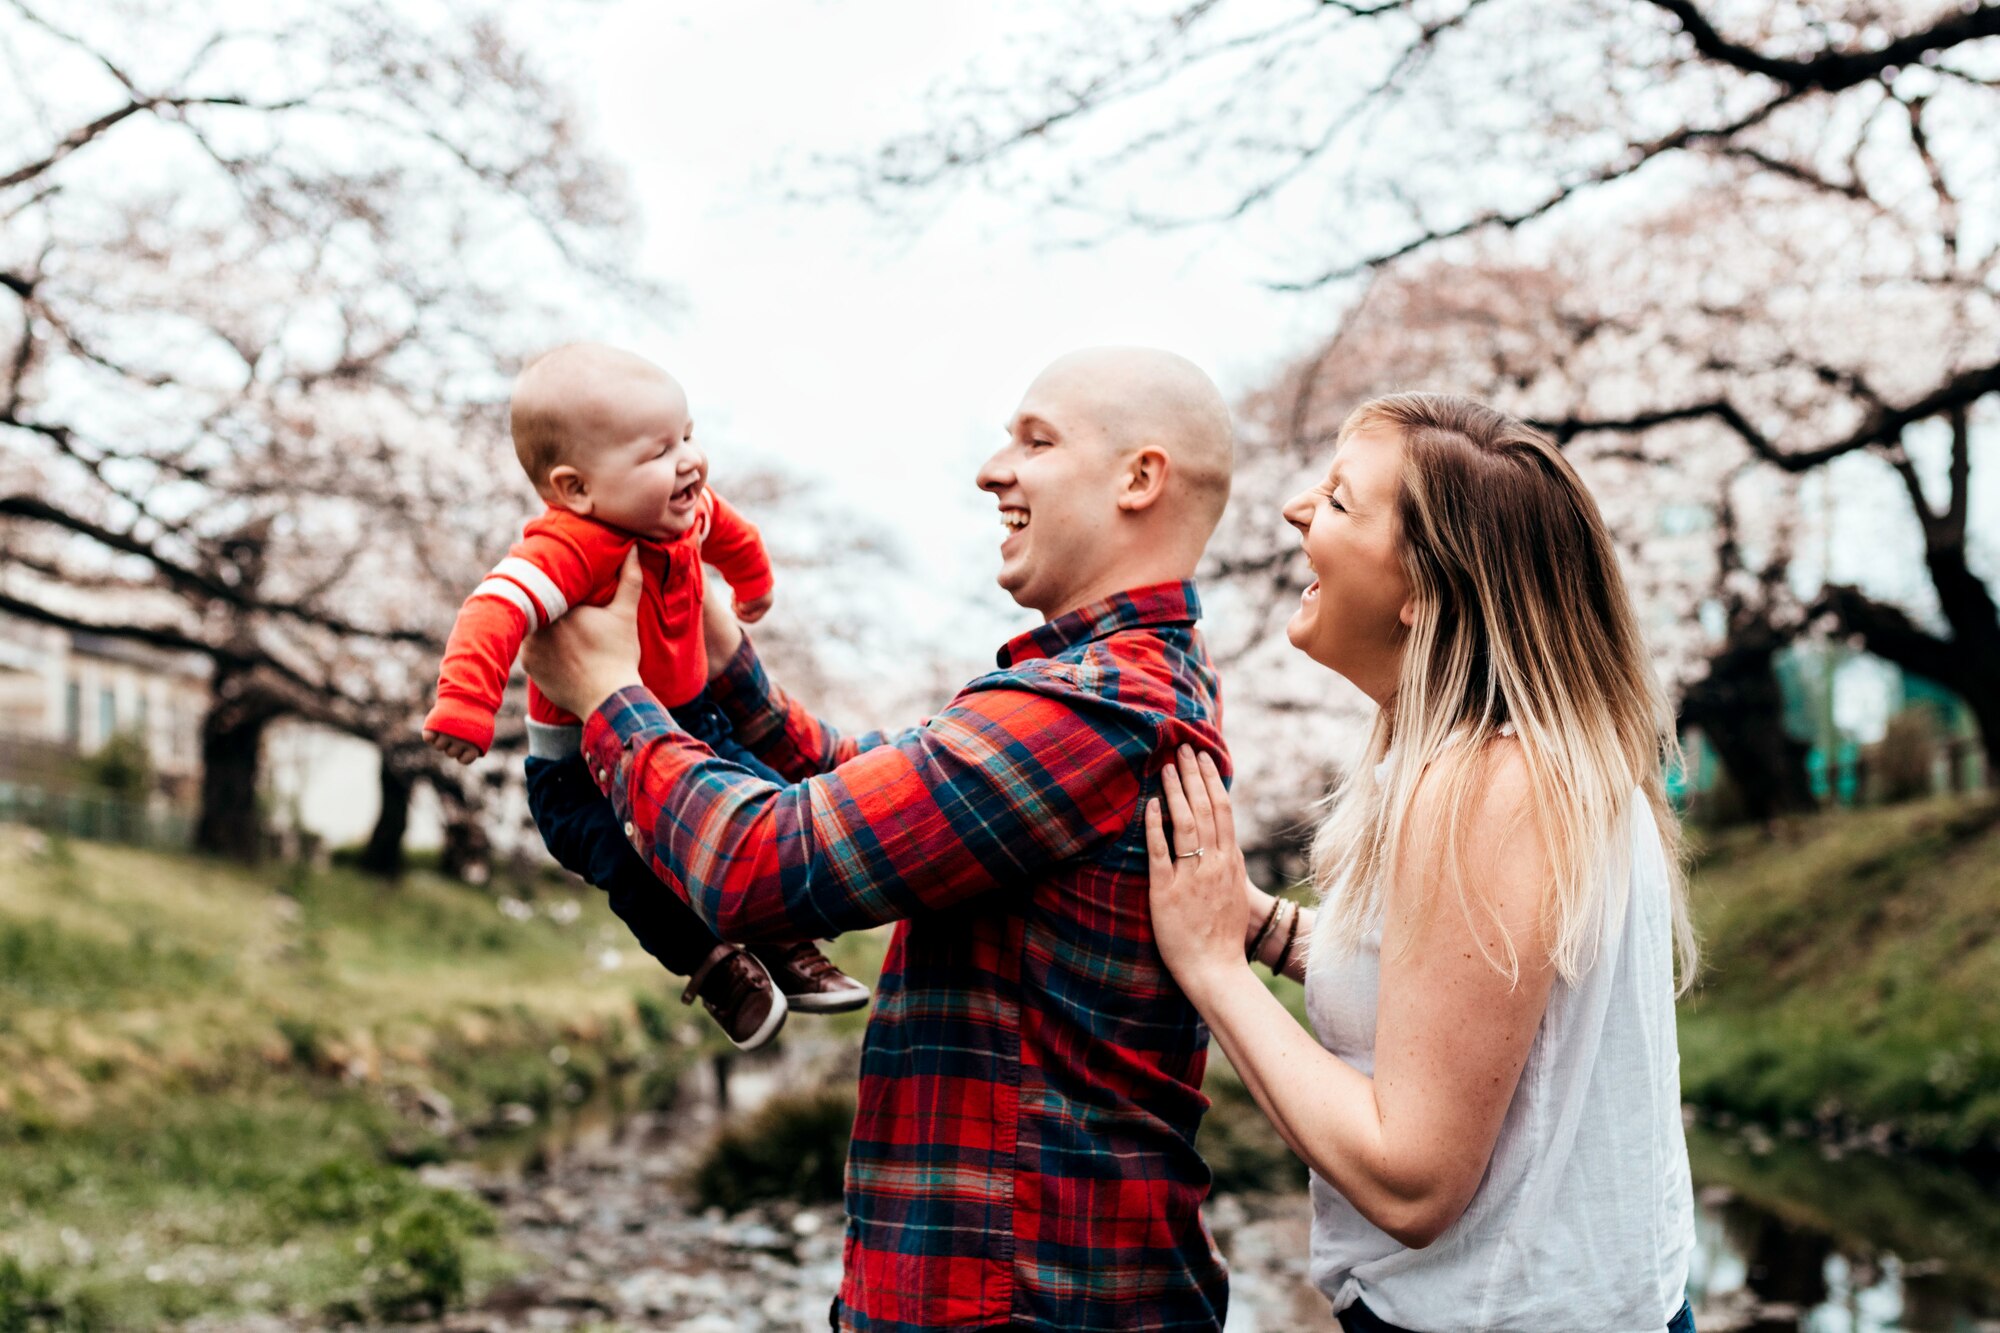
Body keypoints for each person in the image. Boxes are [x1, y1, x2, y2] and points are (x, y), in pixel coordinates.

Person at [522, 347, 1239, 1333]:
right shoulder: (1102, 688)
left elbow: (757, 866)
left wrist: (608, 694)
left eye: (1034, 441)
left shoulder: (1094, 708)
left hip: (1011, 1303)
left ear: (1137, 479)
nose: (993, 470)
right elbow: (863, 787)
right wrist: (723, 660)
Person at [1144, 392, 1699, 1333]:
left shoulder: (1492, 786)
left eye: (1340, 500)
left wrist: (1212, 967)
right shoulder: (1525, 762)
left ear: (1422, 593)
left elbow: (1414, 1179)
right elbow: (1455, 994)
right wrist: (1264, 924)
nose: (1294, 509)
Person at [422, 342, 868, 1049]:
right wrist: (467, 703)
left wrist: (751, 584)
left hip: (692, 721)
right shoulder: (567, 548)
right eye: (657, 452)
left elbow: (732, 533)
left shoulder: (683, 512)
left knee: (759, 810)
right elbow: (494, 608)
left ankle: (786, 945)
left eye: (687, 435)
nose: (689, 460)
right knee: (637, 873)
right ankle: (712, 965)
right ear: (576, 489)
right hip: (581, 774)